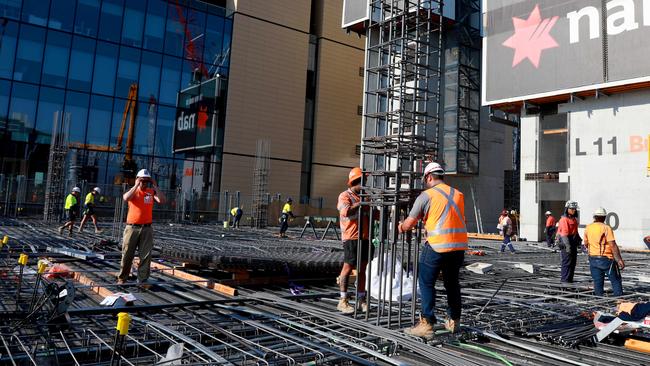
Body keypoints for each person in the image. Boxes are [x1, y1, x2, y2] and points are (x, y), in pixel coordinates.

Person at [399, 162, 468, 337]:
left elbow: (409, 223)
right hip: (458, 247)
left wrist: (400, 227)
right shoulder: (458, 194)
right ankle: (454, 321)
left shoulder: (426, 195)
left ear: (429, 177)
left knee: (426, 282)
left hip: (437, 246)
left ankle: (426, 323)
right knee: (452, 283)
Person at [117, 169, 165, 286]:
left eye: (146, 181)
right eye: (142, 181)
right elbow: (125, 198)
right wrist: (136, 184)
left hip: (147, 228)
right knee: (127, 253)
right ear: (138, 179)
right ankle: (122, 278)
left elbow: (162, 200)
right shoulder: (133, 192)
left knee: (145, 255)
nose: (144, 183)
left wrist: (155, 185)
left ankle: (142, 279)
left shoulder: (151, 192)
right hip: (132, 228)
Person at [336, 167, 373, 314]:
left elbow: (374, 215)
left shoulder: (365, 197)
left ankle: (361, 300)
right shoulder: (345, 196)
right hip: (351, 238)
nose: (365, 185)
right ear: (355, 182)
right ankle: (343, 300)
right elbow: (346, 211)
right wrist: (362, 203)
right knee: (348, 267)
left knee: (362, 269)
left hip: (364, 237)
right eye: (363, 182)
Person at [584, 207, 624, 296]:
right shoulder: (606, 228)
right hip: (607, 260)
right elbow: (612, 245)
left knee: (598, 282)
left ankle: (598, 301)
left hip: (593, 259)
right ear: (604, 217)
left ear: (594, 217)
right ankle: (620, 301)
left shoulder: (588, 227)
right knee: (616, 280)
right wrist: (619, 259)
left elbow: (586, 243)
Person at [558, 200, 581, 283]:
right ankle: (565, 281)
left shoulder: (574, 219)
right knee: (567, 263)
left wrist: (579, 240)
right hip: (566, 242)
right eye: (572, 209)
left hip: (572, 242)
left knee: (572, 263)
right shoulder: (564, 220)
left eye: (575, 209)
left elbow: (575, 231)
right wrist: (568, 247)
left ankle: (569, 280)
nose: (574, 210)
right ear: (567, 209)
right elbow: (564, 235)